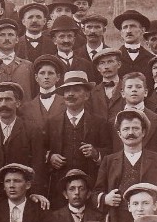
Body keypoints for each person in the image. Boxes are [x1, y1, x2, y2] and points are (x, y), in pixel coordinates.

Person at [45, 70, 111, 204]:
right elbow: (42, 150)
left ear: (86, 95)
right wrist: (51, 157)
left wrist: (96, 154)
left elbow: (110, 152)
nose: (70, 94)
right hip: (60, 189)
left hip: (90, 187)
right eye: (67, 91)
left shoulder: (100, 123)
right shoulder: (52, 122)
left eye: (76, 90)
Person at [0, 82, 46, 196]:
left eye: (8, 99)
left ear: (18, 103)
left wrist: (35, 193)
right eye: (0, 100)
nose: (3, 104)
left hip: (23, 194)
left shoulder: (32, 131)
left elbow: (38, 165)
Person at [18, 55, 65, 129]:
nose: (46, 77)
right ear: (36, 77)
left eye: (50, 73)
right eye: (42, 73)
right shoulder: (25, 108)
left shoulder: (66, 103)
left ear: (58, 77)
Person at [112, 9, 151, 78]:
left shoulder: (151, 59)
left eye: (133, 26)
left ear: (142, 30)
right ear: (121, 32)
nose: (128, 31)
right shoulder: (113, 58)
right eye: (125, 27)